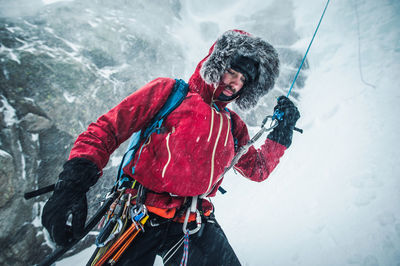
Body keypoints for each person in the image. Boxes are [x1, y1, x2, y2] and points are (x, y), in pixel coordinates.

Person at [42, 29, 300, 265]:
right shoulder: (169, 93)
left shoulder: (233, 126)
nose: (235, 83)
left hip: (192, 219)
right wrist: (72, 184)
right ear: (217, 64)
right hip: (136, 214)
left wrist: (282, 130)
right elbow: (107, 129)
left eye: (244, 79)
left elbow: (257, 169)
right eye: (233, 71)